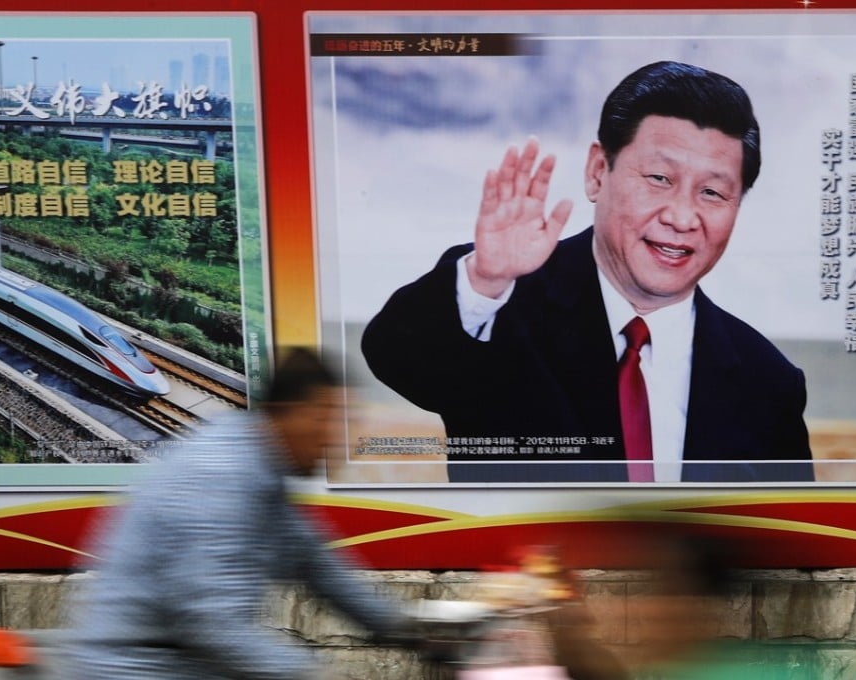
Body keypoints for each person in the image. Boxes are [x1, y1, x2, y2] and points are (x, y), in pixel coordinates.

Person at [362, 60, 813, 484]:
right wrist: (485, 278)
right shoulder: (502, 305)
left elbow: (790, 530)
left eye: (712, 193)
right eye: (660, 178)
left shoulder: (769, 381)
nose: (681, 217)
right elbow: (395, 356)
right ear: (598, 171)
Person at [59, 348, 425, 680]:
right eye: (325, 420)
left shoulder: (263, 469)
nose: (334, 439)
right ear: (287, 413)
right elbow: (212, 623)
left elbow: (318, 566)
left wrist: (413, 632)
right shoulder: (221, 476)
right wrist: (311, 673)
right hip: (138, 667)